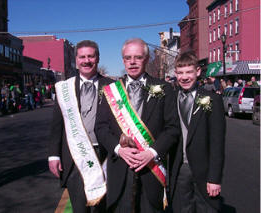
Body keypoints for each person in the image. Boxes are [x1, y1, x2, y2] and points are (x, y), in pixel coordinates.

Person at [95, 38, 179, 212]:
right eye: (127, 58)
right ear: (123, 60)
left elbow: (172, 128)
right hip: (120, 169)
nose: (132, 62)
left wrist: (152, 153)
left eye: (138, 57)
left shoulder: (164, 88)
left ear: (146, 59)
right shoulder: (111, 91)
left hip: (151, 169)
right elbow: (101, 127)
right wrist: (119, 149)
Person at [48, 40, 113, 213]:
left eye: (91, 56)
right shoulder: (64, 88)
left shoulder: (112, 86)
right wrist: (53, 155)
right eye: (82, 57)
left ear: (97, 58)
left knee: (102, 207)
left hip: (104, 155)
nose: (86, 61)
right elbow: (57, 125)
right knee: (79, 207)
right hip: (74, 156)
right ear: (76, 60)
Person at [169, 51, 225, 213]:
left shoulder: (212, 100)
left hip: (204, 169)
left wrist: (214, 178)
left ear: (198, 72)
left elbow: (217, 142)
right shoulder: (171, 98)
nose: (184, 77)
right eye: (180, 73)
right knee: (182, 209)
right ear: (175, 74)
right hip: (179, 168)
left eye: (189, 72)